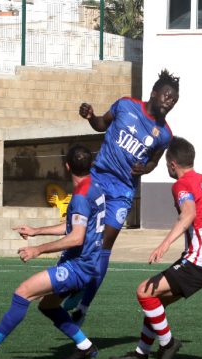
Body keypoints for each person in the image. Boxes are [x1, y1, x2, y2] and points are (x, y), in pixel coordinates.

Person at [0, 145, 106, 359]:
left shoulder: (80, 197)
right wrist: (36, 231)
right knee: (47, 305)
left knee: (23, 292)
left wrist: (37, 249)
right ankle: (85, 346)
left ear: (66, 166)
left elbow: (76, 237)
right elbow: (73, 227)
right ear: (91, 165)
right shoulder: (95, 187)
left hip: (78, 267)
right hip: (86, 263)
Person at [68, 69, 180, 324]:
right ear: (153, 93)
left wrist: (146, 169)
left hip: (122, 191)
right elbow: (100, 125)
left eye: (173, 100)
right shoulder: (126, 105)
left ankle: (83, 308)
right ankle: (76, 283)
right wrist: (90, 116)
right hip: (97, 179)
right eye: (166, 96)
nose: (168, 102)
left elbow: (153, 162)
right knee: (81, 236)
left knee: (104, 245)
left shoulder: (164, 134)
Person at [109, 136, 202, 359]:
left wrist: (164, 244)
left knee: (143, 292)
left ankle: (168, 343)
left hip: (199, 261)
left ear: (172, 164)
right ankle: (141, 354)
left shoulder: (182, 184)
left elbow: (188, 214)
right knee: (156, 302)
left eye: (166, 164)